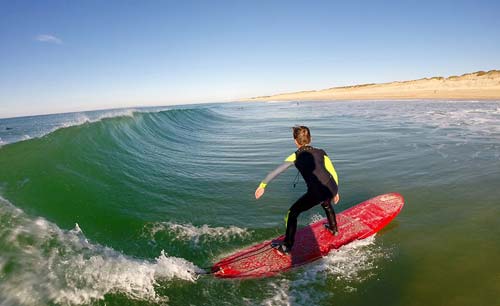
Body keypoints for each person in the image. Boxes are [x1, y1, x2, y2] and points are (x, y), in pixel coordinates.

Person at [255, 126, 340, 255]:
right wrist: (335, 191)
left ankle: (287, 246)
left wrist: (262, 185)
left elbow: (275, 172)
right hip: (330, 187)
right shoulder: (321, 152)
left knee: (292, 213)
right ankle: (334, 229)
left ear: (295, 141)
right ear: (310, 139)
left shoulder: (294, 156)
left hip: (317, 192)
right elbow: (332, 171)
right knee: (326, 202)